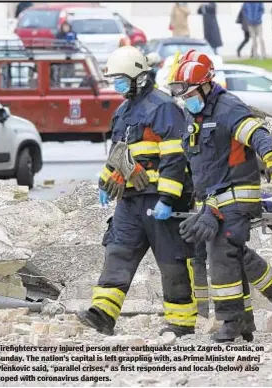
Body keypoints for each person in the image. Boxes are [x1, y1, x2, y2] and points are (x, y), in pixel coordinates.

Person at [168, 52, 272, 343]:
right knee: (228, 253)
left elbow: (257, 134)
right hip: (210, 201)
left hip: (237, 196)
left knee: (222, 252)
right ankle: (270, 297)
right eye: (182, 96)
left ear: (205, 85)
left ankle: (231, 320)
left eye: (188, 93)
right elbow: (194, 161)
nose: (186, 100)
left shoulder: (228, 108)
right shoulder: (193, 114)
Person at [77, 46, 197, 337]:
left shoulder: (163, 107)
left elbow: (174, 157)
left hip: (160, 200)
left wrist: (168, 199)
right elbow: (120, 154)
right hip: (130, 199)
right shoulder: (123, 111)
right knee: (118, 250)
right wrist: (106, 181)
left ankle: (181, 322)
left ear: (138, 77)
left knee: (172, 261)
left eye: (120, 78)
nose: (116, 84)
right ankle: (103, 313)